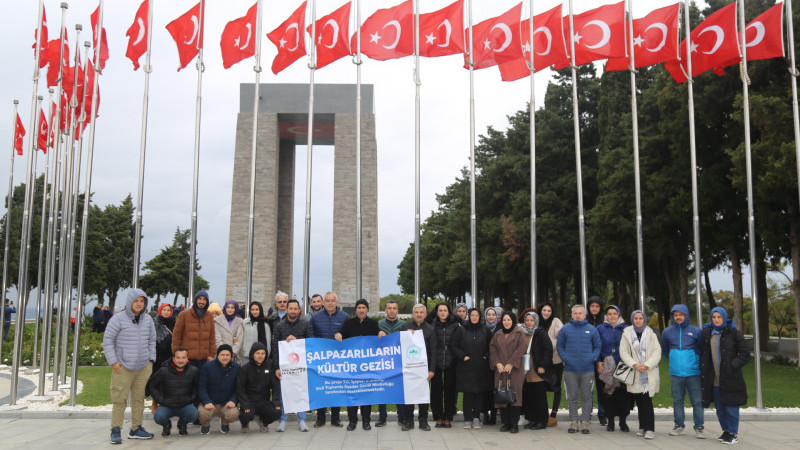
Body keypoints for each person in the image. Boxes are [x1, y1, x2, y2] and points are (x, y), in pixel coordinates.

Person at [102, 288, 157, 444]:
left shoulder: (147, 320)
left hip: (143, 367)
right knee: (119, 399)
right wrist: (113, 361)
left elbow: (152, 340)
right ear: (130, 302)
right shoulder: (118, 319)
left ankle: (136, 428)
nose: (139, 304)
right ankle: (115, 430)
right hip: (123, 367)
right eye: (136, 301)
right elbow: (107, 341)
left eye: (142, 301)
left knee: (139, 399)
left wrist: (151, 359)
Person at [700, 307, 749, 445]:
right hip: (714, 378)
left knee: (731, 407)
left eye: (719, 317)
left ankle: (733, 433)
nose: (716, 319)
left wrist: (733, 365)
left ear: (724, 318)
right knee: (720, 409)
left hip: (731, 378)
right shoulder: (708, 332)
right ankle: (726, 431)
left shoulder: (733, 332)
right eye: (714, 317)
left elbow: (745, 354)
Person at [661, 304, 706, 438]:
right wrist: (676, 360)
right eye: (676, 315)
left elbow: (700, 349)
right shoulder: (667, 332)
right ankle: (679, 425)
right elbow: (665, 350)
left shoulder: (696, 331)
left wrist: (690, 360)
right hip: (675, 373)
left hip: (694, 373)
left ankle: (699, 427)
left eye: (681, 314)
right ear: (673, 317)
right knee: (677, 401)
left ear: (686, 315)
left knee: (697, 401)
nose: (678, 317)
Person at [557, 304, 601, 434]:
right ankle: (574, 421)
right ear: (572, 315)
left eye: (580, 313)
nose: (577, 315)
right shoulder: (565, 329)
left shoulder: (592, 329)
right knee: (572, 397)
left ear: (584, 315)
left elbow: (597, 346)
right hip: (571, 369)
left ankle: (585, 422)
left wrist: (592, 358)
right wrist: (565, 358)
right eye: (575, 313)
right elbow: (560, 346)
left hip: (587, 369)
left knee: (587, 397)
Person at [272, 298, 315, 432]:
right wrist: (276, 367)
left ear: (299, 310)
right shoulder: (279, 326)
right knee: (284, 392)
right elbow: (274, 348)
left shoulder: (305, 324)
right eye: (290, 308)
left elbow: (311, 342)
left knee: (300, 391)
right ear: (286, 310)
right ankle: (282, 420)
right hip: (284, 366)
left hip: (301, 366)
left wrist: (297, 342)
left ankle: (302, 419)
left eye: (295, 308)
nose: (293, 311)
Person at [339, 298, 380, 430]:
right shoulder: (348, 323)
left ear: (367, 309)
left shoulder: (374, 324)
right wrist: (338, 335)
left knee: (366, 394)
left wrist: (382, 335)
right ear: (355, 310)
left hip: (367, 366)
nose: (361, 310)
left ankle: (366, 421)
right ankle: (352, 421)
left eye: (364, 308)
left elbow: (379, 343)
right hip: (352, 366)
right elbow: (342, 338)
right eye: (359, 308)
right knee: (352, 394)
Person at [619, 310, 661, 440]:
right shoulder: (626, 333)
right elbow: (623, 352)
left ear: (644, 320)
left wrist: (647, 365)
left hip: (648, 372)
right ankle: (642, 427)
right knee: (639, 401)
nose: (638, 321)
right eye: (636, 318)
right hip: (635, 371)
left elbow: (657, 352)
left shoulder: (651, 334)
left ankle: (649, 429)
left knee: (647, 401)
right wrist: (634, 364)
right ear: (632, 320)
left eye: (640, 318)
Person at [309, 291, 349, 428]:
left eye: (333, 300)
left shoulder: (345, 317)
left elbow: (349, 337)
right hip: (321, 360)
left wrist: (342, 336)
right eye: (328, 300)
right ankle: (320, 418)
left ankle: (335, 418)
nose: (330, 303)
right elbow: (310, 336)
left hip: (338, 360)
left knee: (336, 389)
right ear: (323, 303)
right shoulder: (315, 318)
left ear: (337, 302)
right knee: (321, 388)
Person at [451, 307, 491, 429]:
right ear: (469, 316)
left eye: (476, 315)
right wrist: (462, 356)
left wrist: (486, 356)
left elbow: (492, 346)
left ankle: (476, 418)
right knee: (468, 394)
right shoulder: (461, 330)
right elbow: (454, 345)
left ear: (480, 317)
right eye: (472, 315)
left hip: (480, 367)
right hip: (466, 367)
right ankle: (467, 419)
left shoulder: (485, 330)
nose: (474, 317)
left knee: (478, 393)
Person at [147, 347, 199, 437]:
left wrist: (191, 398)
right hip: (167, 405)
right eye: (178, 357)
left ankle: (182, 424)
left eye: (183, 358)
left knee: (194, 414)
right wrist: (161, 399)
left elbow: (197, 387)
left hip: (185, 404)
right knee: (158, 417)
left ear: (187, 359)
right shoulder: (164, 370)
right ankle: (167, 425)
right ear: (173, 359)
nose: (181, 360)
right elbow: (152, 385)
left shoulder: (193, 371)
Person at [400, 303, 436, 431]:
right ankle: (408, 421)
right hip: (409, 368)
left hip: (424, 370)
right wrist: (406, 334)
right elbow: (398, 344)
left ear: (425, 314)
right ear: (412, 314)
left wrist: (432, 370)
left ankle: (423, 421)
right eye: (416, 312)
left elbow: (433, 351)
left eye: (421, 312)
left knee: (423, 396)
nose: (419, 315)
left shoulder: (431, 329)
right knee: (409, 396)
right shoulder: (405, 327)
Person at [490, 311, 527, 433]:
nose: (506, 322)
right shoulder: (498, 334)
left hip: (515, 369)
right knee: (502, 396)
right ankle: (505, 423)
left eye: (509, 320)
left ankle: (514, 424)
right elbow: (493, 349)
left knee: (515, 396)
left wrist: (511, 363)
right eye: (504, 320)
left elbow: (521, 348)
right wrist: (497, 363)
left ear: (513, 321)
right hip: (500, 370)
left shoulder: (519, 333)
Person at [596, 305, 630, 432]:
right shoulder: (600, 328)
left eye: (614, 313)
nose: (612, 316)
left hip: (623, 365)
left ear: (619, 315)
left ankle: (623, 421)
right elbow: (597, 345)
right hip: (607, 365)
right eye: (609, 314)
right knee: (608, 394)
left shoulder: (626, 329)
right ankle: (610, 421)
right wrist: (598, 361)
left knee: (623, 395)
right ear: (606, 316)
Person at [237, 342, 282, 433]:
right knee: (247, 414)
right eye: (257, 353)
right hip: (249, 402)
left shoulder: (270, 367)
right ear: (252, 354)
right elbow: (240, 388)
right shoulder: (245, 368)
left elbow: (275, 387)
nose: (260, 356)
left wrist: (276, 402)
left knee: (277, 412)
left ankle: (263, 422)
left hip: (264, 401)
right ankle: (244, 424)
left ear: (266, 355)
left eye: (263, 353)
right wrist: (245, 404)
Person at [520, 311, 553, 430]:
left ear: (536, 321)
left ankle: (541, 421)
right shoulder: (523, 333)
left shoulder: (540, 333)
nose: (529, 322)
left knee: (540, 398)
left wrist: (543, 365)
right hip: (526, 371)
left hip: (537, 370)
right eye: (527, 320)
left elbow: (548, 350)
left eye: (531, 320)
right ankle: (532, 419)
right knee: (530, 397)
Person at [197, 344, 241, 435]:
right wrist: (206, 401)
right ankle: (205, 425)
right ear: (217, 355)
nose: (225, 357)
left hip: (226, 403)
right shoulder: (207, 367)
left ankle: (225, 424)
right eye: (222, 355)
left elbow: (239, 388)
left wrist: (233, 400)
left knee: (233, 413)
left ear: (231, 356)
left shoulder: (237, 367)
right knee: (202, 413)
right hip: (210, 403)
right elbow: (201, 387)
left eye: (227, 355)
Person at [429, 302, 460, 428]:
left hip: (451, 360)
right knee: (436, 390)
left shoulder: (455, 325)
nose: (442, 312)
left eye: (445, 310)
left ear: (449, 312)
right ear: (437, 312)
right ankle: (438, 417)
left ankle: (448, 417)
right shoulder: (431, 325)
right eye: (440, 310)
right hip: (435, 360)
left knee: (450, 390)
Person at [377, 299, 406, 427]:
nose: (392, 310)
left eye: (394, 308)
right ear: (385, 310)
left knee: (399, 390)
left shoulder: (405, 325)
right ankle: (382, 417)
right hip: (383, 363)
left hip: (399, 363)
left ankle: (402, 417)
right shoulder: (379, 325)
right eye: (389, 308)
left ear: (397, 310)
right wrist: (377, 335)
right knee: (382, 390)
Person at [172, 290, 216, 370]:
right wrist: (177, 354)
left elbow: (212, 337)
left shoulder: (209, 315)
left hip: (204, 359)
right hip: (187, 358)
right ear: (195, 300)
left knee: (202, 382)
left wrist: (211, 355)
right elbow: (176, 336)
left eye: (204, 299)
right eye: (199, 299)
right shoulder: (184, 315)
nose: (201, 302)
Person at [539, 302, 564, 427]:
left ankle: (553, 416)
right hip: (542, 362)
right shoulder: (537, 321)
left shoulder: (556, 321)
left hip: (556, 360)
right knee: (541, 388)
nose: (546, 313)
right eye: (544, 310)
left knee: (556, 388)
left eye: (549, 310)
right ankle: (542, 414)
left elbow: (563, 337)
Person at [586, 295, 606, 425]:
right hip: (586, 358)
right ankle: (587, 412)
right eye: (592, 306)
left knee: (601, 387)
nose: (594, 308)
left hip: (601, 359)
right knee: (587, 387)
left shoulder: (604, 322)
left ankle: (602, 413)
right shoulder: (584, 320)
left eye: (597, 306)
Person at [482, 306, 502, 425]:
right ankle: (485, 414)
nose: (491, 316)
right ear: (485, 316)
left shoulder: (500, 328)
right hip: (484, 364)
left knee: (495, 389)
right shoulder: (482, 328)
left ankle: (494, 415)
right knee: (485, 391)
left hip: (497, 364)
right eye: (488, 314)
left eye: (493, 314)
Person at [241, 301, 270, 365]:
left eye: (257, 309)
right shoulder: (244, 322)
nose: (255, 312)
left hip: (259, 357)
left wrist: (266, 357)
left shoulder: (265, 325)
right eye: (252, 310)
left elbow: (268, 343)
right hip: (246, 355)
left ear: (260, 310)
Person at [153, 304, 176, 371]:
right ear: (160, 311)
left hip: (170, 354)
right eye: (164, 310)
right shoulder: (155, 322)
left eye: (168, 310)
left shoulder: (174, 323)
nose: (166, 312)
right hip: (157, 354)